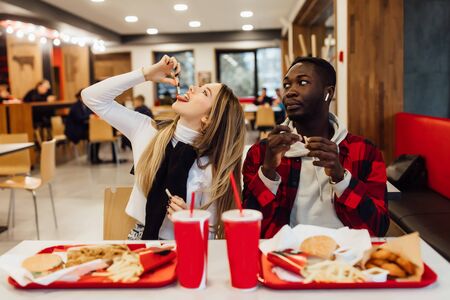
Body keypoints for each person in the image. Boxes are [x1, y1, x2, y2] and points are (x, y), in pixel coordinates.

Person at [82, 55, 245, 240]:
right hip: (141, 243)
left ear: (209, 119)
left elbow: (214, 236)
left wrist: (190, 220)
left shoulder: (212, 167)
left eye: (204, 92)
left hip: (187, 246)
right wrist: (145, 74)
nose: (193, 87)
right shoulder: (147, 131)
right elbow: (91, 97)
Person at [243, 57, 389, 238]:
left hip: (346, 258)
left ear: (328, 93)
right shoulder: (262, 153)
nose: (290, 92)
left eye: (302, 82)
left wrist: (340, 177)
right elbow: (251, 228)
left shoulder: (365, 152)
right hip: (285, 257)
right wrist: (268, 172)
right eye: (287, 85)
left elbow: (378, 228)